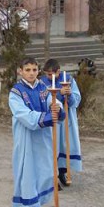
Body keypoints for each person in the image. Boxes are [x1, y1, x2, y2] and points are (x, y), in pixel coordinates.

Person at [8, 57, 65, 207]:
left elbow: (53, 102)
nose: (31, 73)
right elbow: (22, 114)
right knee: (28, 173)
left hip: (43, 137)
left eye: (34, 69)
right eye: (27, 70)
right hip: (26, 136)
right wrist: (46, 117)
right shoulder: (16, 92)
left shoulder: (43, 88)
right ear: (20, 71)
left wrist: (57, 108)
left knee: (46, 171)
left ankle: (35, 204)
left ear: (38, 70)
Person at [41, 59, 82, 187]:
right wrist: (59, 94)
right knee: (53, 146)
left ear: (58, 71)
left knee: (65, 145)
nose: (49, 77)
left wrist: (69, 95)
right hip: (52, 119)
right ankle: (52, 176)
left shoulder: (68, 79)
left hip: (67, 120)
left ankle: (62, 172)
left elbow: (76, 99)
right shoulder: (42, 82)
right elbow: (43, 100)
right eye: (47, 74)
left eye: (51, 74)